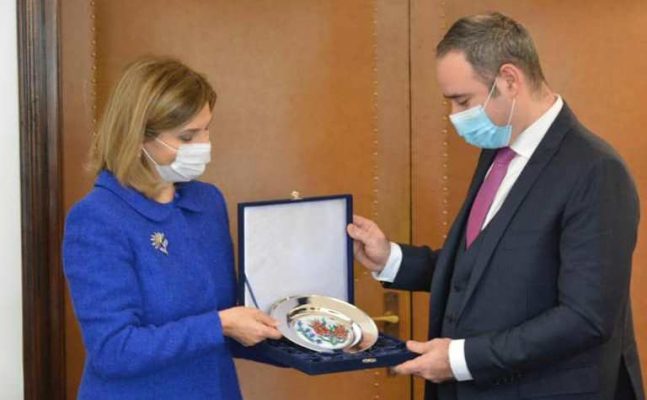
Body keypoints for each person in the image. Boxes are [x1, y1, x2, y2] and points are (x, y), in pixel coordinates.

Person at [348, 12, 644, 400]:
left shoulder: (596, 171)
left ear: (509, 80)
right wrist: (390, 259)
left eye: (463, 101)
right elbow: (482, 271)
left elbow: (586, 318)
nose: (455, 117)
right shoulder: (498, 150)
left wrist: (460, 359)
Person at [63, 56, 282, 399]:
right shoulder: (97, 218)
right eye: (187, 136)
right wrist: (220, 324)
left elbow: (230, 322)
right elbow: (113, 350)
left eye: (207, 129)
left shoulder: (207, 202)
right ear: (137, 137)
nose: (204, 145)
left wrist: (307, 333)